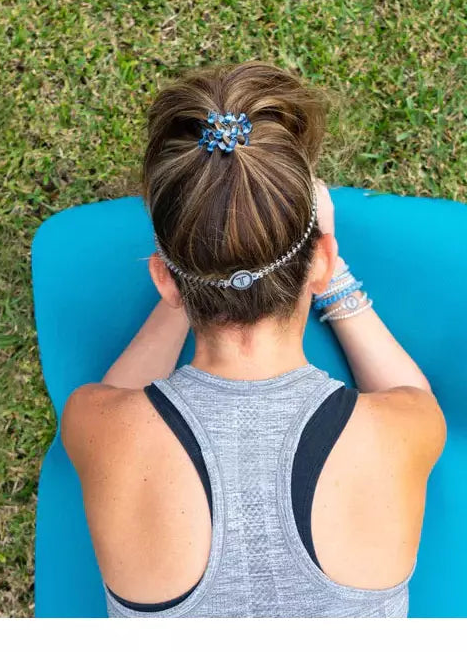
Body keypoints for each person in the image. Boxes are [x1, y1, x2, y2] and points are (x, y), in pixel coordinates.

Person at [60, 61, 446, 617]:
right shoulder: (402, 429)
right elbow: (411, 394)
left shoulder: (94, 424)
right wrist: (333, 276)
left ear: (163, 278)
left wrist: (194, 279)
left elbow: (120, 393)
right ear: (320, 261)